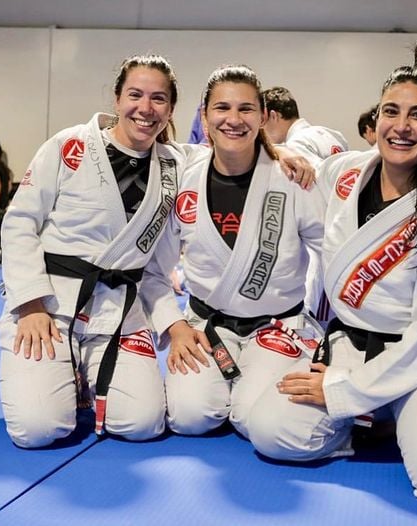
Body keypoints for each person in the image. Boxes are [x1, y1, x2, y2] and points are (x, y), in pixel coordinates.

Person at [247, 50, 417, 505]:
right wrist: (283, 150)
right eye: (391, 111)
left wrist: (346, 392)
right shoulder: (348, 173)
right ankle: (385, 417)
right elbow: (302, 172)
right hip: (352, 345)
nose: (401, 126)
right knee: (272, 430)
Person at [0, 54, 201, 448]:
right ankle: (63, 373)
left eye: (158, 99)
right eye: (135, 95)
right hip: (51, 307)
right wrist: (30, 305)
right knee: (38, 429)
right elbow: (20, 222)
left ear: (171, 108)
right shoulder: (70, 145)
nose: (145, 108)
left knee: (142, 423)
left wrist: (283, 155)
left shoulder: (177, 165)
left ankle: (80, 379)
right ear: (117, 98)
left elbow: (229, 155)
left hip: (120, 312)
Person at [141, 65, 327, 445]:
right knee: (189, 416)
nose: (234, 119)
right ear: (204, 116)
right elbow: (155, 271)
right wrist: (174, 326)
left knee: (250, 418)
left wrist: (334, 340)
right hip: (204, 327)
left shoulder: (292, 178)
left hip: (276, 327)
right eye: (222, 108)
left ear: (263, 116)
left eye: (246, 109)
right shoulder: (183, 174)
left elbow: (334, 257)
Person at [263, 86, 349, 325]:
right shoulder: (332, 135)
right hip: (343, 231)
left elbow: (312, 190)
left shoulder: (297, 146)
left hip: (325, 240)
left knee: (320, 321)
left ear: (273, 115)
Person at [263, 86, 348, 163]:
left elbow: (316, 175)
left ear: (274, 116)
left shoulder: (295, 146)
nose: (261, 131)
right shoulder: (334, 134)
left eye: (262, 122)